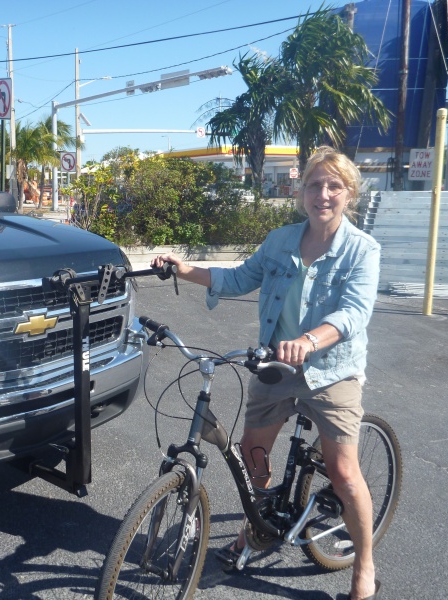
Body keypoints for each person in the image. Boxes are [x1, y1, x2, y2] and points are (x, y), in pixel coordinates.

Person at [151, 146, 381, 600]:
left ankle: (365, 565)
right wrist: (183, 267)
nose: (323, 194)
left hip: (331, 369)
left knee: (343, 472)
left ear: (348, 193)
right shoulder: (280, 241)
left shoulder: (362, 250)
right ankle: (256, 528)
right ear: (302, 192)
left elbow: (354, 313)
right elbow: (238, 278)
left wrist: (310, 341)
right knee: (251, 454)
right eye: (315, 184)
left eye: (334, 185)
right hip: (276, 363)